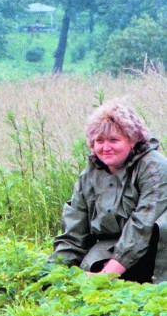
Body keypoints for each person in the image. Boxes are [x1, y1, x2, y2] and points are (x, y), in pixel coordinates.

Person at [51, 100, 166, 283]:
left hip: (155, 250)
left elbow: (143, 227)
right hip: (112, 248)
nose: (106, 148)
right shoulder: (89, 175)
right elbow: (73, 233)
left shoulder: (154, 168)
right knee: (89, 267)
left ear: (133, 140)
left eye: (114, 140)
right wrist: (52, 276)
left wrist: (106, 276)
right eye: (99, 141)